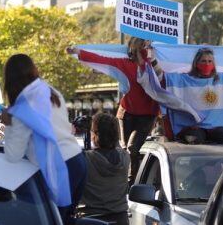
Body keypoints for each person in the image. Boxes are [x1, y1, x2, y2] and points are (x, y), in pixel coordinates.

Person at [0, 54, 86, 224]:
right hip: (78, 161)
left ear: (10, 81)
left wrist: (8, 123)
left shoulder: (21, 110)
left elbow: (12, 155)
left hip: (58, 169)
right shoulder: (50, 91)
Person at [67, 37, 158, 182]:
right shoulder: (124, 64)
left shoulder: (154, 66)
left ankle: (130, 183)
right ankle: (121, 179)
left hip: (147, 115)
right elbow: (103, 59)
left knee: (132, 149)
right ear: (132, 50)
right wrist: (79, 52)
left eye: (147, 47)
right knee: (123, 148)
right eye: (141, 47)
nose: (145, 50)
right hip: (127, 113)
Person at [148, 46, 223, 144]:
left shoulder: (221, 79)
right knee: (195, 139)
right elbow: (162, 77)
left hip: (216, 127)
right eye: (203, 61)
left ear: (213, 64)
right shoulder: (185, 80)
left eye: (209, 61)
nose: (207, 64)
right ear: (196, 64)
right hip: (194, 127)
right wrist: (152, 58)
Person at [80, 112, 130, 225]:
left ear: (95, 135)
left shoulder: (85, 159)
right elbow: (115, 146)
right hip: (120, 219)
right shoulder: (125, 157)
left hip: (91, 219)